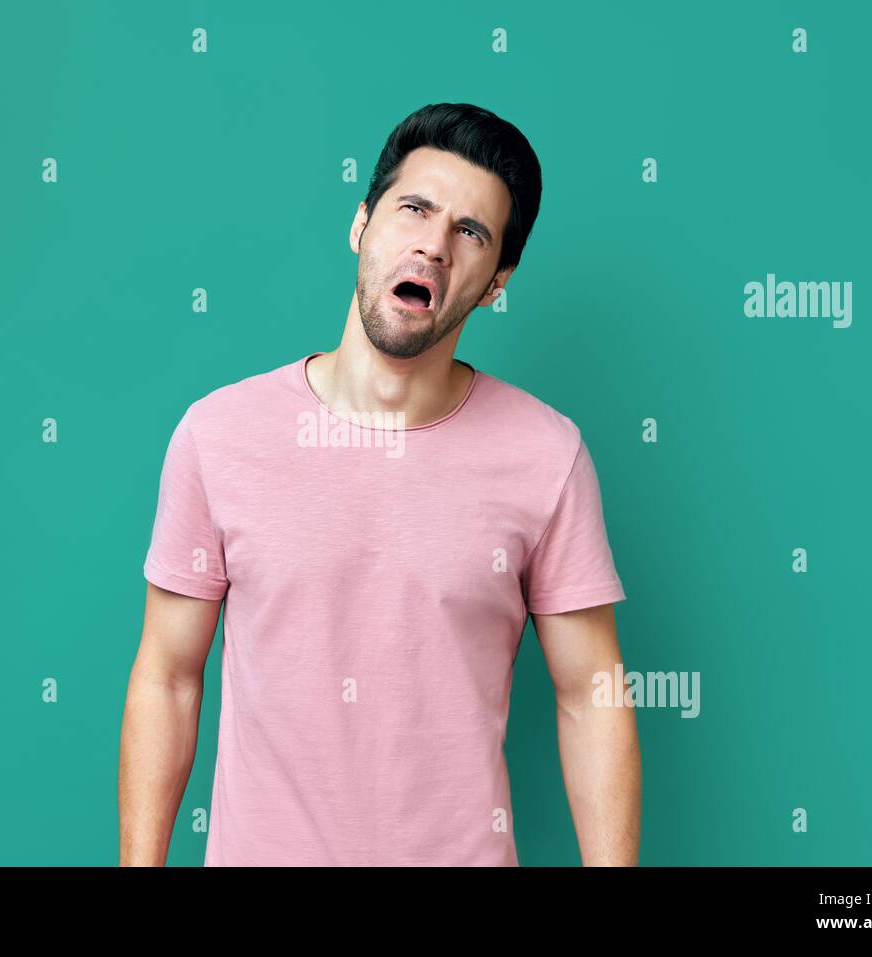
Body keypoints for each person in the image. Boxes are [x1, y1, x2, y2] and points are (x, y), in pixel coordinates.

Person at [119, 103, 640, 866]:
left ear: (498, 281)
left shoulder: (546, 454)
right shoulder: (219, 435)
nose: (432, 244)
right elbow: (167, 676)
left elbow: (591, 692)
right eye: (414, 209)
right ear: (362, 225)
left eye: (470, 232)